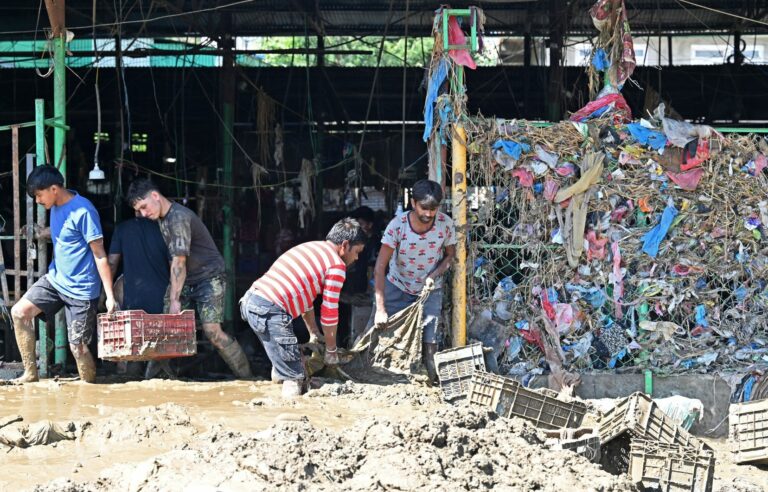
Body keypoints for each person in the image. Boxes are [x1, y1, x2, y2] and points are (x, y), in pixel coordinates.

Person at [125, 179, 252, 379]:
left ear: (155, 196)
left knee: (213, 332)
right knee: (165, 328)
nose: (143, 213)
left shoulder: (178, 218)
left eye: (144, 207)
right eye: (139, 210)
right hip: (188, 278)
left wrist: (175, 300)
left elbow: (179, 261)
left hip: (209, 277)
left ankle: (247, 378)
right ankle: (151, 381)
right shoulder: (162, 218)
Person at [11, 165, 116, 383]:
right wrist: (42, 233)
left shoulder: (84, 211)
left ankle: (89, 387)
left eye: (39, 195)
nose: (38, 201)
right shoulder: (56, 206)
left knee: (77, 346)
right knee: (19, 313)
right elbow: (66, 233)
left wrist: (110, 296)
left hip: (82, 289)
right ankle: (31, 373)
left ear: (54, 189)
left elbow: (100, 255)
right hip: (56, 280)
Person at [239, 218, 366, 397]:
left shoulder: (312, 248)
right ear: (345, 245)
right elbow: (329, 313)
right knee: (294, 376)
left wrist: (314, 333)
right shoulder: (336, 265)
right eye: (357, 252)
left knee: (283, 364)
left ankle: (275, 397)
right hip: (270, 309)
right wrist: (331, 350)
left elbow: (306, 301)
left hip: (251, 302)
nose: (357, 258)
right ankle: (292, 416)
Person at [372, 180, 456, 382]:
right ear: (413, 203)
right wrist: (380, 309)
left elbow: (449, 257)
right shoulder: (397, 226)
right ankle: (377, 378)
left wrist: (432, 277)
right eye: (424, 208)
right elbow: (379, 267)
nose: (428, 214)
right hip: (397, 285)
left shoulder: (446, 224)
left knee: (430, 337)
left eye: (433, 209)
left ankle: (430, 379)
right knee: (382, 332)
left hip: (429, 290)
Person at [108, 215, 170, 314]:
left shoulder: (122, 228)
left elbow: (111, 263)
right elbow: (176, 263)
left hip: (132, 303)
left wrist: (105, 294)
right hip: (162, 299)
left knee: (134, 328)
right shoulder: (166, 229)